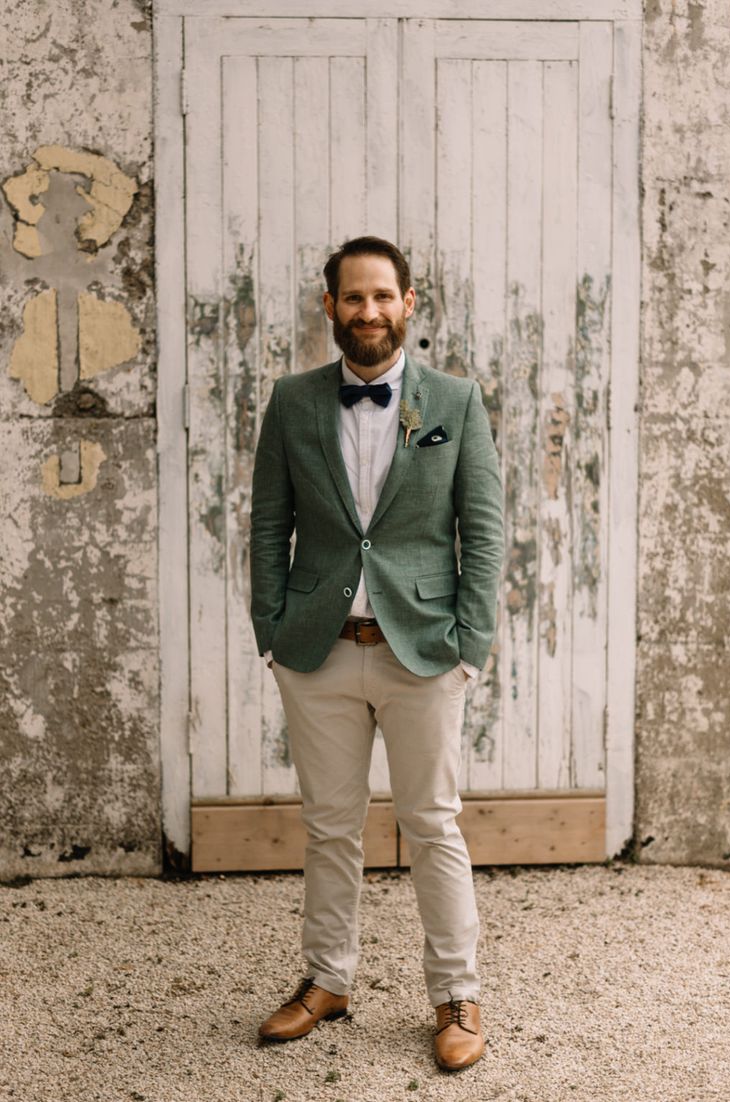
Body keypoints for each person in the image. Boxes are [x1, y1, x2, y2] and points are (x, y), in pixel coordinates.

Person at [249, 236, 504, 1071]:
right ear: (329, 307)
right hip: (318, 653)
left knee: (432, 824)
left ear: (408, 301)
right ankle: (327, 980)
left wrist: (470, 644)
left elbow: (485, 531)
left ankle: (456, 994)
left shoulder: (456, 402)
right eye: (352, 299)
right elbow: (266, 525)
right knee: (329, 829)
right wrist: (272, 633)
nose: (368, 313)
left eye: (382, 298)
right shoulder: (291, 402)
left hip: (423, 650)